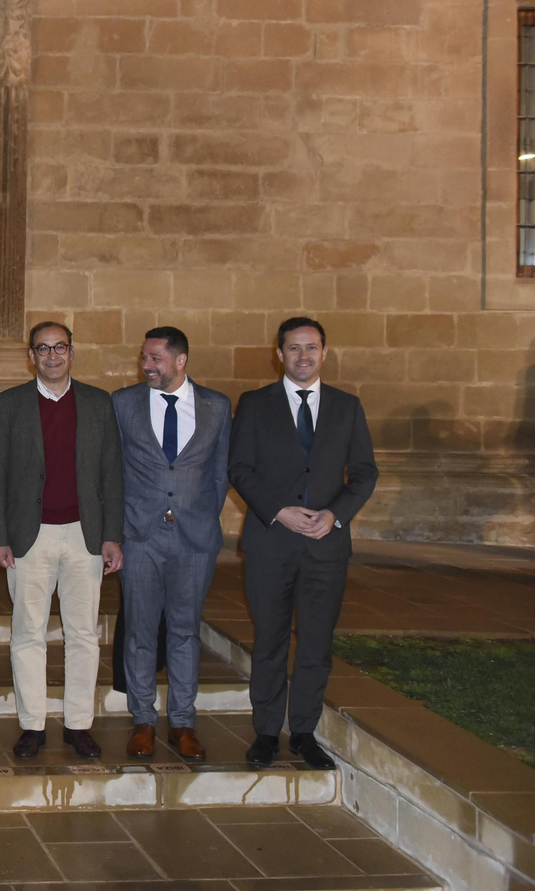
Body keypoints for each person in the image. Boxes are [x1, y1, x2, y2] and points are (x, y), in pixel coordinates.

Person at [229, 316, 377, 771]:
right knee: (270, 640)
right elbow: (240, 469)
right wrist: (278, 510)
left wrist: (335, 515)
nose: (303, 356)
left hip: (325, 548)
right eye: (294, 348)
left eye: (311, 348)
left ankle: (305, 733)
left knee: (315, 642)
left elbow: (365, 473)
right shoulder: (255, 405)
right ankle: (268, 732)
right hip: (271, 542)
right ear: (279, 354)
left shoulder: (348, 407)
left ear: (325, 353)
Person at [0, 321, 124, 762]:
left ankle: (79, 724)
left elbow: (112, 476)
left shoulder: (98, 404)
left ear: (71, 351)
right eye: (42, 349)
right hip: (30, 538)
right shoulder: (10, 405)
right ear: (31, 356)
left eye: (59, 347)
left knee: (83, 634)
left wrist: (112, 537)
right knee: (28, 635)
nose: (51, 356)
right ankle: (32, 725)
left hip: (85, 535)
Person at [109, 327, 232, 761]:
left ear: (181, 361)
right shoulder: (123, 404)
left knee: (185, 632)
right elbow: (114, 471)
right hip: (139, 536)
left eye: (156, 358)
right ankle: (142, 719)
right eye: (144, 357)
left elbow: (219, 474)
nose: (147, 365)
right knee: (140, 632)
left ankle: (182, 722)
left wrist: (194, 516)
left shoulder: (217, 406)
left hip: (194, 539)